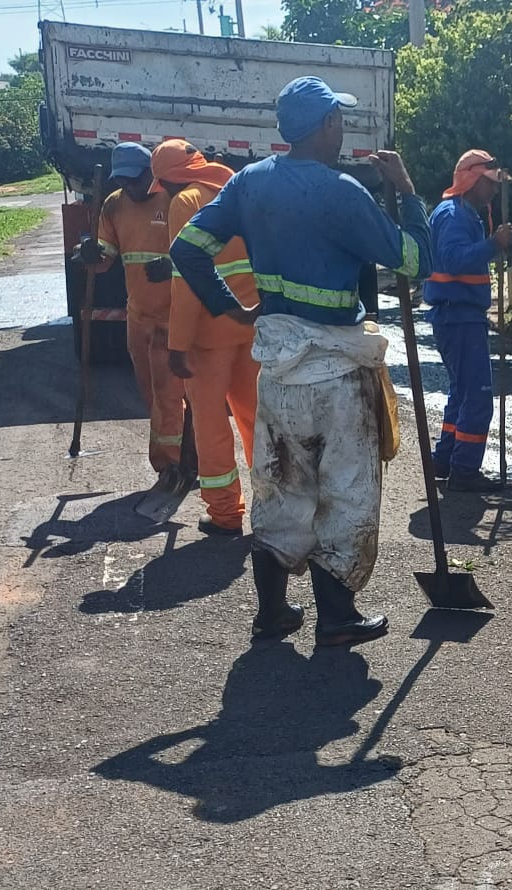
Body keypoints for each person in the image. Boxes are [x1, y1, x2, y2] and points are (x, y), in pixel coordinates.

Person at [170, 75, 432, 648]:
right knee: (346, 489)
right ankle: (337, 616)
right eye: (338, 117)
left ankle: (273, 613)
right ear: (328, 126)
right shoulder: (342, 192)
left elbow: (187, 247)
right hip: (337, 375)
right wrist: (407, 192)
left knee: (282, 486)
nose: (341, 126)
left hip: (279, 370)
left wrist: (232, 309)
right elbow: (413, 260)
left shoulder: (249, 183)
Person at [153, 138, 261, 537]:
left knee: (211, 426)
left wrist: (177, 345)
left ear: (165, 181)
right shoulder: (236, 187)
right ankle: (272, 506)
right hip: (250, 327)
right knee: (259, 421)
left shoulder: (186, 202)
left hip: (208, 338)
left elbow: (186, 281)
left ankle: (226, 514)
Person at [83, 142, 188, 491]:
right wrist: (88, 254)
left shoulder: (175, 200)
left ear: (151, 172)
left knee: (168, 394)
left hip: (175, 318)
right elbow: (104, 260)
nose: (130, 186)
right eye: (123, 181)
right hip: (139, 317)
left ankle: (173, 467)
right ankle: (176, 460)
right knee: (151, 395)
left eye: (136, 179)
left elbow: (204, 257)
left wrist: (174, 267)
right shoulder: (114, 205)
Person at [426, 149, 512, 492]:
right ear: (472, 179)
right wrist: (493, 244)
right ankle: (464, 470)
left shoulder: (465, 214)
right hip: (458, 316)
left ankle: (446, 460)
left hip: (460, 315)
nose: (493, 191)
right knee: (476, 396)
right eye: (489, 184)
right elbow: (452, 259)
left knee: (461, 393)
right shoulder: (453, 216)